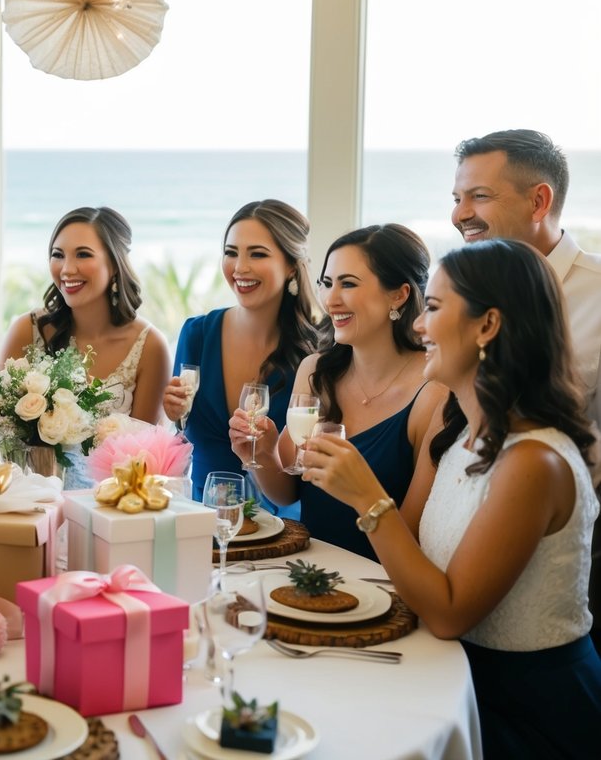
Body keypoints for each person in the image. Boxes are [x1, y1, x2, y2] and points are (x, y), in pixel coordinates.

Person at [302, 239, 601, 757]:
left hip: (524, 710)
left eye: (434, 308)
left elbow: (448, 612)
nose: (418, 324)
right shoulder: (466, 437)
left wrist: (370, 501)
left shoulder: (532, 461)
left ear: (487, 326)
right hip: (445, 672)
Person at [452, 128, 601, 649]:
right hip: (457, 534)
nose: (459, 214)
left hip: (568, 558)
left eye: (479, 196)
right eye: (456, 198)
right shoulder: (459, 295)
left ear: (540, 200)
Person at [230, 224, 446, 560]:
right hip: (306, 573)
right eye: (327, 283)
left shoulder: (433, 392)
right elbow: (286, 492)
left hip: (382, 589)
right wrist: (260, 454)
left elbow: (414, 535)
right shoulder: (316, 371)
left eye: (348, 284)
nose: (330, 300)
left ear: (399, 294)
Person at [162, 200, 321, 517]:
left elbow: (307, 465)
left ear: (291, 264)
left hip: (284, 531)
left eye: (257, 254)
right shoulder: (196, 335)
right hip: (204, 524)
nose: (239, 267)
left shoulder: (315, 352)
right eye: (231, 252)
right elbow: (182, 434)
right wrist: (175, 413)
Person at [0, 206, 170, 488]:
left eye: (83, 254)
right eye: (58, 255)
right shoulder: (27, 331)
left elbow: (145, 462)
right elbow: (4, 437)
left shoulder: (150, 346)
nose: (67, 269)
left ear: (115, 263)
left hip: (111, 507)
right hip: (31, 501)